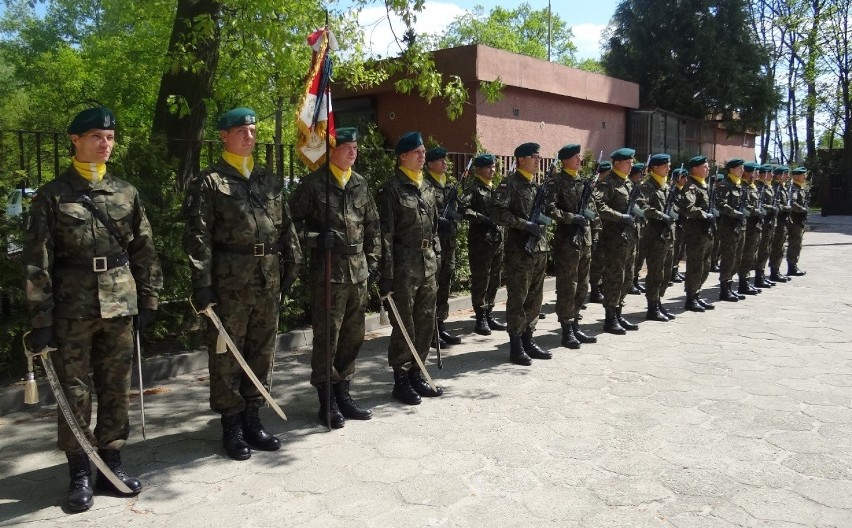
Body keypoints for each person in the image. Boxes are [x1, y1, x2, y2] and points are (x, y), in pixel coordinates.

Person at [23, 106, 163, 511]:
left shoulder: (126, 192)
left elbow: (144, 248)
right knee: (75, 391)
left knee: (115, 386)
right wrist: (40, 319)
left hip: (120, 303)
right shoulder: (51, 196)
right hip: (72, 308)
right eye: (97, 137)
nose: (105, 144)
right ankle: (80, 470)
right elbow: (37, 261)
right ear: (76, 140)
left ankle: (111, 463)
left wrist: (149, 297)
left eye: (110, 138)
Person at [183, 107, 302, 459]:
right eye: (241, 130)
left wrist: (293, 262)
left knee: (262, 351)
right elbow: (197, 236)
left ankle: (253, 418)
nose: (250, 135)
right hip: (228, 283)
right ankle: (231, 425)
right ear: (224, 135)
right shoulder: (209, 182)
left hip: (267, 279)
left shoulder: (268, 180)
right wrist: (201, 283)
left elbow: (286, 226)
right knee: (226, 355)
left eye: (252, 129)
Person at [289, 127, 380, 429]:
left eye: (356, 147)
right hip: (328, 272)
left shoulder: (360, 184)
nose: (353, 152)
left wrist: (374, 260)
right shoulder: (313, 184)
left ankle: (344, 392)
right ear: (332, 150)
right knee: (328, 336)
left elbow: (373, 227)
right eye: (347, 147)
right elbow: (290, 226)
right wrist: (315, 238)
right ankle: (326, 399)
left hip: (358, 271)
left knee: (353, 336)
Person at [376, 131, 442, 405]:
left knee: (426, 320)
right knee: (405, 325)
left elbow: (435, 226)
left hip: (427, 264)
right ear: (402, 156)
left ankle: (418, 372)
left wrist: (436, 253)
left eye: (424, 151)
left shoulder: (426, 186)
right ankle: (401, 379)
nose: (422, 155)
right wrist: (387, 274)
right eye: (417, 151)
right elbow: (385, 235)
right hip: (403, 267)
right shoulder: (390, 189)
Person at [491, 142, 553, 365]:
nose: (538, 160)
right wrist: (523, 224)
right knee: (518, 298)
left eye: (538, 156)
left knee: (535, 298)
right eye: (534, 157)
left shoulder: (535, 187)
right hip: (520, 251)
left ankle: (529, 339)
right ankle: (516, 344)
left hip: (539, 248)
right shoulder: (510, 184)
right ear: (521, 160)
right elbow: (497, 212)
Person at [544, 143, 598, 348]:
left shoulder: (583, 183)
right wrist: (571, 217)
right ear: (565, 160)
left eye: (579, 156)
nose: (579, 160)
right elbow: (549, 209)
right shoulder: (556, 183)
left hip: (584, 239)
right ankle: (566, 329)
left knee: (583, 285)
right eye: (575, 157)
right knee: (568, 285)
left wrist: (594, 227)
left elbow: (592, 209)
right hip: (567, 241)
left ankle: (575, 324)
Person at [593, 148, 642, 334]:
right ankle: (610, 317)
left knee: (627, 277)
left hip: (629, 238)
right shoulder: (608, 183)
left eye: (631, 162)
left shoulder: (628, 183)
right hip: (614, 239)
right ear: (617, 163)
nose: (631, 165)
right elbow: (600, 206)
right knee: (614, 277)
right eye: (628, 162)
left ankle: (619, 312)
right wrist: (620, 217)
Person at [459, 153, 506, 336]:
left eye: (493, 167)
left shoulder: (494, 188)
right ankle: (480, 317)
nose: (492, 170)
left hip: (497, 241)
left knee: (495, 278)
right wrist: (482, 219)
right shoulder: (474, 188)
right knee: (481, 279)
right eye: (488, 167)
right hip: (481, 242)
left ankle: (489, 312)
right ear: (478, 169)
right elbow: (463, 208)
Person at [423, 146, 462, 345]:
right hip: (434, 245)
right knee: (432, 287)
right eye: (440, 160)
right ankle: (429, 331)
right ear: (429, 164)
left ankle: (440, 325)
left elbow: (460, 209)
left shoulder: (449, 185)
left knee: (445, 285)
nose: (445, 163)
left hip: (449, 243)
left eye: (445, 160)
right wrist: (440, 221)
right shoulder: (425, 185)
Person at [639, 153, 676, 321]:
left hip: (668, 235)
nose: (668, 168)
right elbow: (642, 206)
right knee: (656, 273)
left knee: (667, 272)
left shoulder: (666, 186)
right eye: (665, 165)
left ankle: (659, 301)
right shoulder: (648, 186)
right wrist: (660, 215)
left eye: (668, 165)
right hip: (654, 236)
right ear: (654, 168)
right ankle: (652, 307)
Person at [678, 155, 717, 312]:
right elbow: (688, 207)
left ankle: (696, 295)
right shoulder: (691, 186)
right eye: (705, 166)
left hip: (706, 232)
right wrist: (704, 214)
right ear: (695, 169)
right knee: (695, 266)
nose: (707, 169)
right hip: (696, 233)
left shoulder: (703, 185)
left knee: (705, 265)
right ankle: (690, 298)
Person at [715, 158, 747, 302]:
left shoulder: (739, 185)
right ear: (732, 170)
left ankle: (730, 286)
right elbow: (721, 204)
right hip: (728, 227)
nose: (742, 170)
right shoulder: (725, 185)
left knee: (736, 257)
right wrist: (736, 212)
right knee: (728, 258)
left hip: (739, 226)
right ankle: (724, 289)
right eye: (739, 168)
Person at [736, 163, 764, 295]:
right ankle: (743, 283)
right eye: (755, 171)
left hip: (755, 225)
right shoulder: (743, 186)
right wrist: (756, 211)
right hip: (748, 226)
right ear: (748, 173)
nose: (757, 174)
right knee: (746, 255)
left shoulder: (753, 186)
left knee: (751, 255)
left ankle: (746, 282)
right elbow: (745, 206)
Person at [587, 161, 611, 304]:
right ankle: (595, 290)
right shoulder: (592, 188)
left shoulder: (606, 187)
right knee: (596, 261)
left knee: (602, 260)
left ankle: (600, 287)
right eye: (607, 174)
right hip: (593, 228)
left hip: (604, 227)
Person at [753, 164, 776, 288]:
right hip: (762, 223)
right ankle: (758, 277)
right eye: (768, 173)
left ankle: (761, 275)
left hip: (770, 223)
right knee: (761, 250)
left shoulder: (768, 187)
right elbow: (761, 204)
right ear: (762, 174)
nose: (771, 175)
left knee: (766, 250)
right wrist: (771, 208)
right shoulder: (758, 187)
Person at [768, 166, 792, 283]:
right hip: (778, 222)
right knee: (777, 247)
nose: (787, 176)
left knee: (781, 247)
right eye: (785, 174)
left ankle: (776, 270)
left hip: (784, 222)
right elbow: (776, 205)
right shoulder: (776, 188)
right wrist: (787, 208)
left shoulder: (783, 188)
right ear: (778, 175)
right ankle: (774, 271)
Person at [786, 167, 809, 276]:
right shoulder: (793, 188)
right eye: (803, 175)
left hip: (799, 221)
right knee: (794, 243)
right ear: (795, 176)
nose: (805, 177)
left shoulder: (800, 188)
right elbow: (793, 204)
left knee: (797, 244)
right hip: (794, 220)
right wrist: (802, 209)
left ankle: (793, 265)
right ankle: (792, 267)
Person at [629, 162, 647, 295]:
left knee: (638, 256)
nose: (642, 176)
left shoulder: (638, 187)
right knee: (630, 259)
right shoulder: (630, 186)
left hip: (639, 226)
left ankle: (634, 280)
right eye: (640, 173)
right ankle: (630, 283)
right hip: (631, 226)